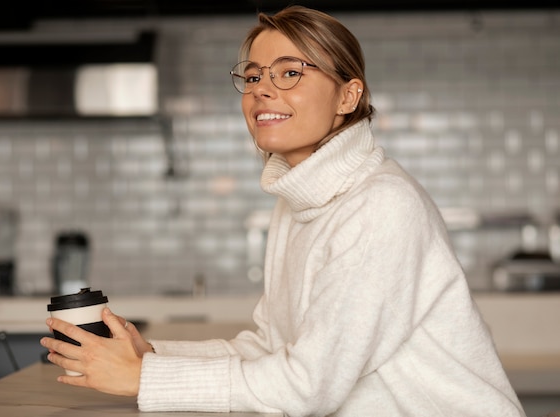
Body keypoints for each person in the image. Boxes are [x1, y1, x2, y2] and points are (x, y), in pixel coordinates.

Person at [41, 6, 526, 416]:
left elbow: (308, 386)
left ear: (348, 96)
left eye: (290, 72)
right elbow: (270, 346)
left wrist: (145, 380)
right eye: (253, 76)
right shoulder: (299, 201)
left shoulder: (381, 205)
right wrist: (151, 356)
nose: (261, 90)